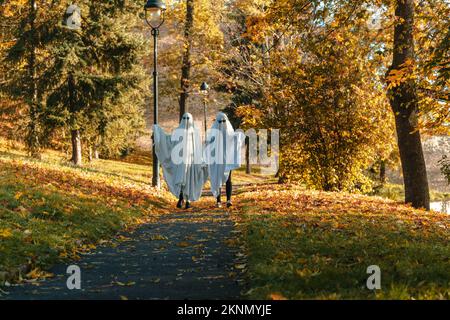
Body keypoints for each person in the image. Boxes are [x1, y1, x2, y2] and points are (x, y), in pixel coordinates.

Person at [153, 113, 208, 209]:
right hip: (180, 161)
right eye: (184, 118)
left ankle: (188, 200)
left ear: (191, 120)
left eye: (188, 118)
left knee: (190, 179)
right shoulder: (177, 131)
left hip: (192, 161)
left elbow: (198, 148)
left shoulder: (195, 132)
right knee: (181, 179)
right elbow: (169, 141)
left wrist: (200, 160)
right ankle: (181, 197)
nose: (186, 120)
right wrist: (159, 132)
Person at [205, 112, 245, 208]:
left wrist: (238, 136)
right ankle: (218, 201)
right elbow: (208, 146)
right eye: (220, 121)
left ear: (226, 121)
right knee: (217, 179)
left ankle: (228, 200)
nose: (222, 123)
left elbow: (235, 139)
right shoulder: (213, 134)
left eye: (224, 121)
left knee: (228, 179)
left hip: (227, 160)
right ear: (216, 122)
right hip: (216, 161)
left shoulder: (229, 133)